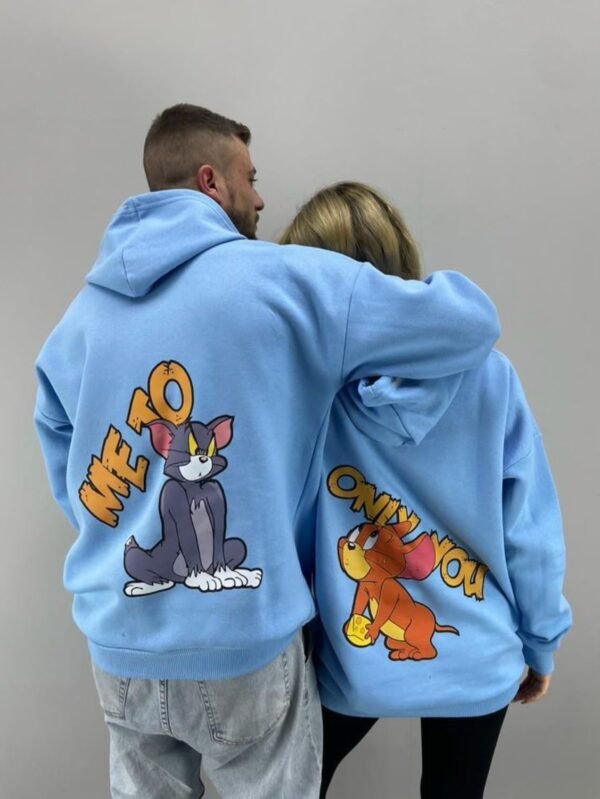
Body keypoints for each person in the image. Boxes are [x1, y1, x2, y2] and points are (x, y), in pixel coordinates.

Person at [33, 105, 500, 799]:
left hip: (121, 643)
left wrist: (120, 534)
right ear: (210, 180)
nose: (259, 199)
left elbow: (64, 456)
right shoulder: (288, 281)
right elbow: (469, 322)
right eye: (250, 178)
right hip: (243, 640)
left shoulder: (78, 322)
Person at [278, 181, 573, 799]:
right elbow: (530, 532)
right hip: (478, 657)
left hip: (353, 658)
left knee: (289, 788)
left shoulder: (306, 394)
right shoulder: (491, 376)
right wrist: (540, 644)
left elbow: (283, 527)